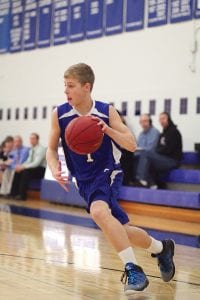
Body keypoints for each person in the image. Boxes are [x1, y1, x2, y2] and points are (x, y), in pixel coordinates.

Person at [46, 63, 175, 295]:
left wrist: (107, 130)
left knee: (98, 212)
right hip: (83, 180)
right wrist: (55, 167)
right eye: (64, 86)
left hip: (108, 172)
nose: (66, 91)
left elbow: (132, 145)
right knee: (121, 230)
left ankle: (133, 269)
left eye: (70, 86)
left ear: (87, 87)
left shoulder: (107, 111)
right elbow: (51, 149)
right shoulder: (60, 114)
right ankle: (161, 248)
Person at [135, 112, 183, 188]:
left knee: (146, 154)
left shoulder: (174, 132)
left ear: (168, 119)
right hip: (164, 158)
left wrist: (157, 152)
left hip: (172, 160)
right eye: (160, 119)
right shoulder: (163, 133)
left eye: (163, 118)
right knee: (138, 157)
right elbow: (161, 148)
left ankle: (141, 179)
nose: (162, 121)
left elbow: (168, 150)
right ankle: (151, 183)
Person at [10, 133, 46, 200]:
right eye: (30, 139)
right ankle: (13, 194)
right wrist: (21, 166)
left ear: (37, 140)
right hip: (33, 168)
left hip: (41, 169)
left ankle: (22, 196)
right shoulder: (31, 149)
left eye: (33, 139)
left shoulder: (41, 149)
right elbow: (28, 161)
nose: (31, 140)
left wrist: (23, 167)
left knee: (26, 172)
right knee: (18, 171)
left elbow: (36, 163)